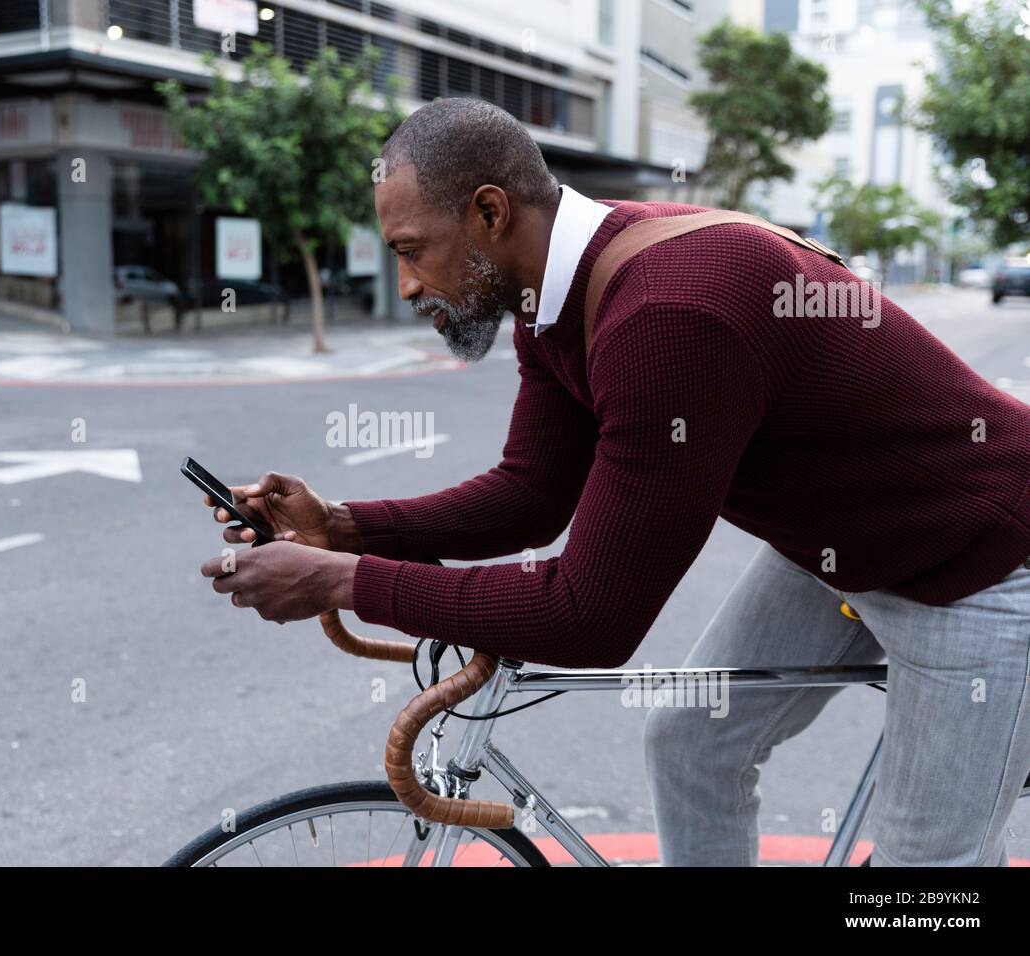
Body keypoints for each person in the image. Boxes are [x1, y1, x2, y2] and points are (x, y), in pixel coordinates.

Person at [198, 99, 1030, 866]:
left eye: (412, 251)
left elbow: (590, 616)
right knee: (691, 740)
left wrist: (343, 580)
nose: (409, 285)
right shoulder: (555, 297)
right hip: (850, 541)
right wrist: (345, 526)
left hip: (984, 560)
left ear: (490, 212)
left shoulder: (670, 317)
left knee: (927, 877)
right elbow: (530, 493)